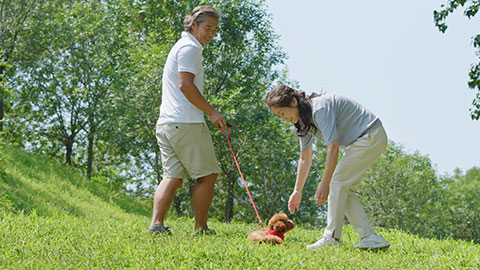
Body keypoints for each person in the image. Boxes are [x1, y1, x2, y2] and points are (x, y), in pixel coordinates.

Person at [265, 84, 390, 250]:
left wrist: (325, 182)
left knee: (336, 183)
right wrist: (297, 190)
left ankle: (332, 238)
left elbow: (334, 146)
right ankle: (370, 237)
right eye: (278, 116)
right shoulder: (302, 123)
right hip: (365, 139)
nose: (283, 118)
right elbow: (305, 158)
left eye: (282, 113)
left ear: (293, 102)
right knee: (343, 188)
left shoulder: (319, 110)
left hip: (370, 135)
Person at [149, 5, 226, 236]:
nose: (211, 34)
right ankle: (201, 229)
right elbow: (185, 85)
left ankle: (157, 225)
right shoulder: (190, 48)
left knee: (172, 176)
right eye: (207, 28)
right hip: (186, 123)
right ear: (193, 25)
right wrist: (212, 112)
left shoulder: (181, 46)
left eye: (214, 30)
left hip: (166, 123)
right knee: (208, 174)